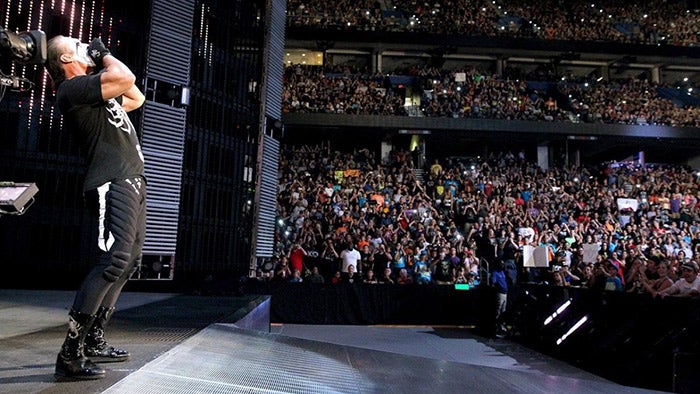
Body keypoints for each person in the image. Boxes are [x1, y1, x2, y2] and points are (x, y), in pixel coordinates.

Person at [46, 35, 146, 380]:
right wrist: (104, 55)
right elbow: (126, 80)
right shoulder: (73, 90)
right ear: (64, 60)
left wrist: (103, 64)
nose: (82, 47)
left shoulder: (94, 92)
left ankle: (94, 340)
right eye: (75, 45)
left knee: (129, 261)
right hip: (110, 179)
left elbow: (135, 96)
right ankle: (70, 354)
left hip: (131, 179)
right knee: (113, 259)